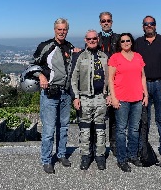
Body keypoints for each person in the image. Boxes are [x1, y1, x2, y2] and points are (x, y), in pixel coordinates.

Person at [33, 18, 80, 174]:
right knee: (48, 129)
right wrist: (41, 76)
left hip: (65, 93)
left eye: (64, 29)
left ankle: (61, 154)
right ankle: (46, 160)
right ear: (54, 30)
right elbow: (33, 64)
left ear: (67, 30)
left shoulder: (70, 47)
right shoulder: (46, 46)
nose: (62, 32)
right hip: (50, 93)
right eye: (59, 29)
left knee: (64, 126)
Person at [135, 15, 161, 167]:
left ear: (155, 25)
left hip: (160, 84)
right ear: (143, 27)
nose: (149, 26)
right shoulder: (138, 42)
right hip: (143, 86)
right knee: (143, 121)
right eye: (146, 24)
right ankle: (143, 152)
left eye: (151, 23)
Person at [70, 30, 110, 170]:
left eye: (94, 38)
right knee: (85, 130)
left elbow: (110, 79)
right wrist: (76, 97)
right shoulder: (80, 56)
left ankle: (100, 156)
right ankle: (85, 156)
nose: (92, 40)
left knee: (100, 130)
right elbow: (74, 79)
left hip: (101, 97)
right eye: (89, 38)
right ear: (85, 39)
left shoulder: (105, 56)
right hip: (84, 98)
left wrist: (109, 94)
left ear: (98, 39)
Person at [108, 33, 148, 172]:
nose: (126, 42)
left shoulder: (138, 56)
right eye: (123, 41)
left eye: (128, 40)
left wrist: (146, 94)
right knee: (120, 130)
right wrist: (113, 97)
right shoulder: (115, 58)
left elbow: (143, 77)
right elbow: (110, 80)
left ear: (131, 42)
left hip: (137, 98)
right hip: (122, 99)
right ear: (120, 43)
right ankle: (122, 159)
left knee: (134, 129)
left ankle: (132, 155)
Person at [97, 11, 120, 157]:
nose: (106, 23)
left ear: (112, 22)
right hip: (100, 82)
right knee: (100, 116)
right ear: (100, 23)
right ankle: (99, 146)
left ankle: (114, 144)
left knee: (115, 116)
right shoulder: (95, 38)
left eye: (108, 21)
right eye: (103, 21)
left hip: (117, 81)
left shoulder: (118, 38)